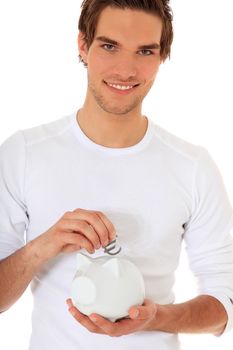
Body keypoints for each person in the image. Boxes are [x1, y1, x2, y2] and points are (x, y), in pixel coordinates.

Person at [0, 0, 233, 349]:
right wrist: (40, 248)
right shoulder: (24, 153)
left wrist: (158, 318)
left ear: (161, 57)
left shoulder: (193, 166)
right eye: (109, 46)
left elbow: (224, 302)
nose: (126, 70)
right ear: (83, 45)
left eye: (145, 51)